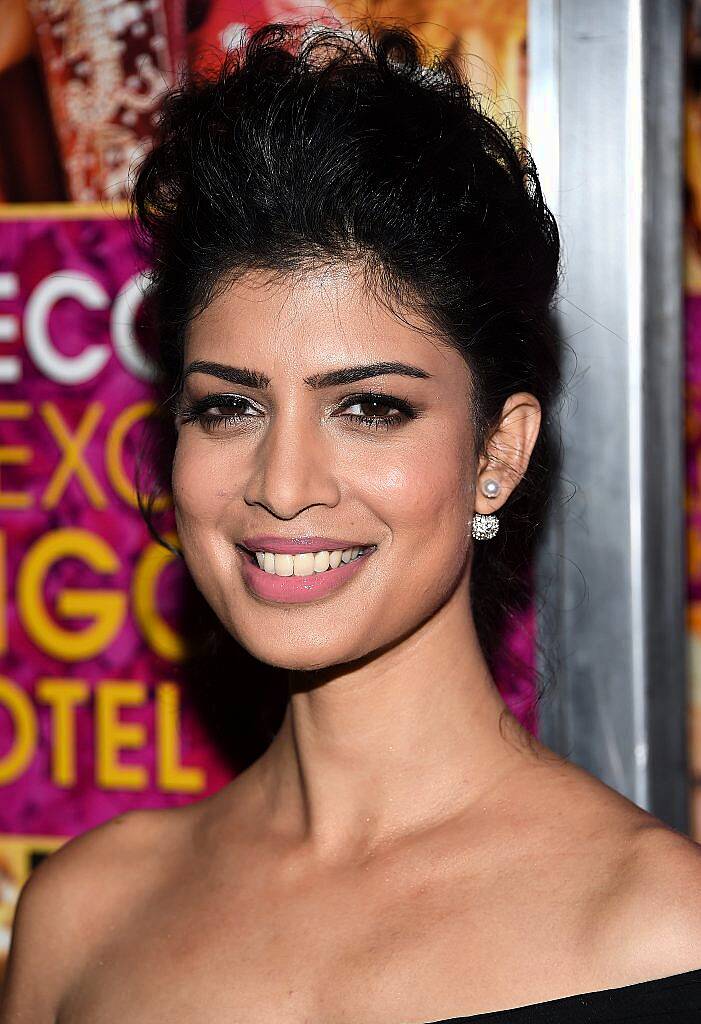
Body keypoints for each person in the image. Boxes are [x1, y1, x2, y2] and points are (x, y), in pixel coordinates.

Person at [2, 20, 701, 1024]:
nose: (281, 484)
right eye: (228, 405)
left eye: (369, 407)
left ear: (494, 456)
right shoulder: (84, 920)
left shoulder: (653, 929)